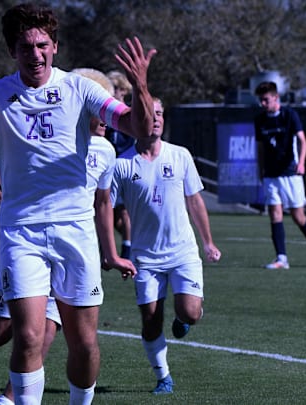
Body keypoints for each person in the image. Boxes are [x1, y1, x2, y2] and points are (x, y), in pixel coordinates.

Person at [0, 3, 155, 403]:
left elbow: (139, 127)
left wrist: (142, 87)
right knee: (27, 336)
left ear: (55, 47)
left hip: (75, 232)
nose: (35, 54)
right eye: (26, 46)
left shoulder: (80, 89)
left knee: (83, 344)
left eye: (42, 45)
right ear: (13, 51)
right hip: (22, 232)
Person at [0, 67, 130, 405]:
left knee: (45, 332)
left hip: (72, 245)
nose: (104, 116)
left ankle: (11, 399)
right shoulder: (48, 123)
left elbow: (103, 202)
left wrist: (110, 253)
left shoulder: (107, 152)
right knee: (1, 333)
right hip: (25, 238)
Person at [112, 97, 222, 395]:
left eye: (160, 113)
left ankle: (184, 316)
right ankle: (163, 377)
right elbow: (103, 208)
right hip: (145, 257)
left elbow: (195, 200)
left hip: (183, 252)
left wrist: (208, 242)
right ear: (136, 119)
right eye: (151, 113)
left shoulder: (180, 155)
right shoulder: (121, 163)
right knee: (150, 320)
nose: (157, 118)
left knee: (191, 313)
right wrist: (112, 254)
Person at [254, 81, 306, 269]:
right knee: (275, 214)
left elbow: (303, 141)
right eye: (260, 100)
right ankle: (281, 258)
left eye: (266, 99)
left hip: (290, 173)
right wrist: (261, 170)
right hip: (271, 175)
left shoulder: (290, 115)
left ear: (276, 97)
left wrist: (301, 163)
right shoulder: (259, 120)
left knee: (298, 216)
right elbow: (260, 148)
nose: (262, 103)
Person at [106, 71, 135, 259]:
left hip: (124, 167)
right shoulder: (105, 114)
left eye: (116, 88)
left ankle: (127, 249)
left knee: (124, 212)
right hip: (107, 168)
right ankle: (107, 247)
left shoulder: (129, 114)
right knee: (108, 212)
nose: (113, 92)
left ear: (123, 91)